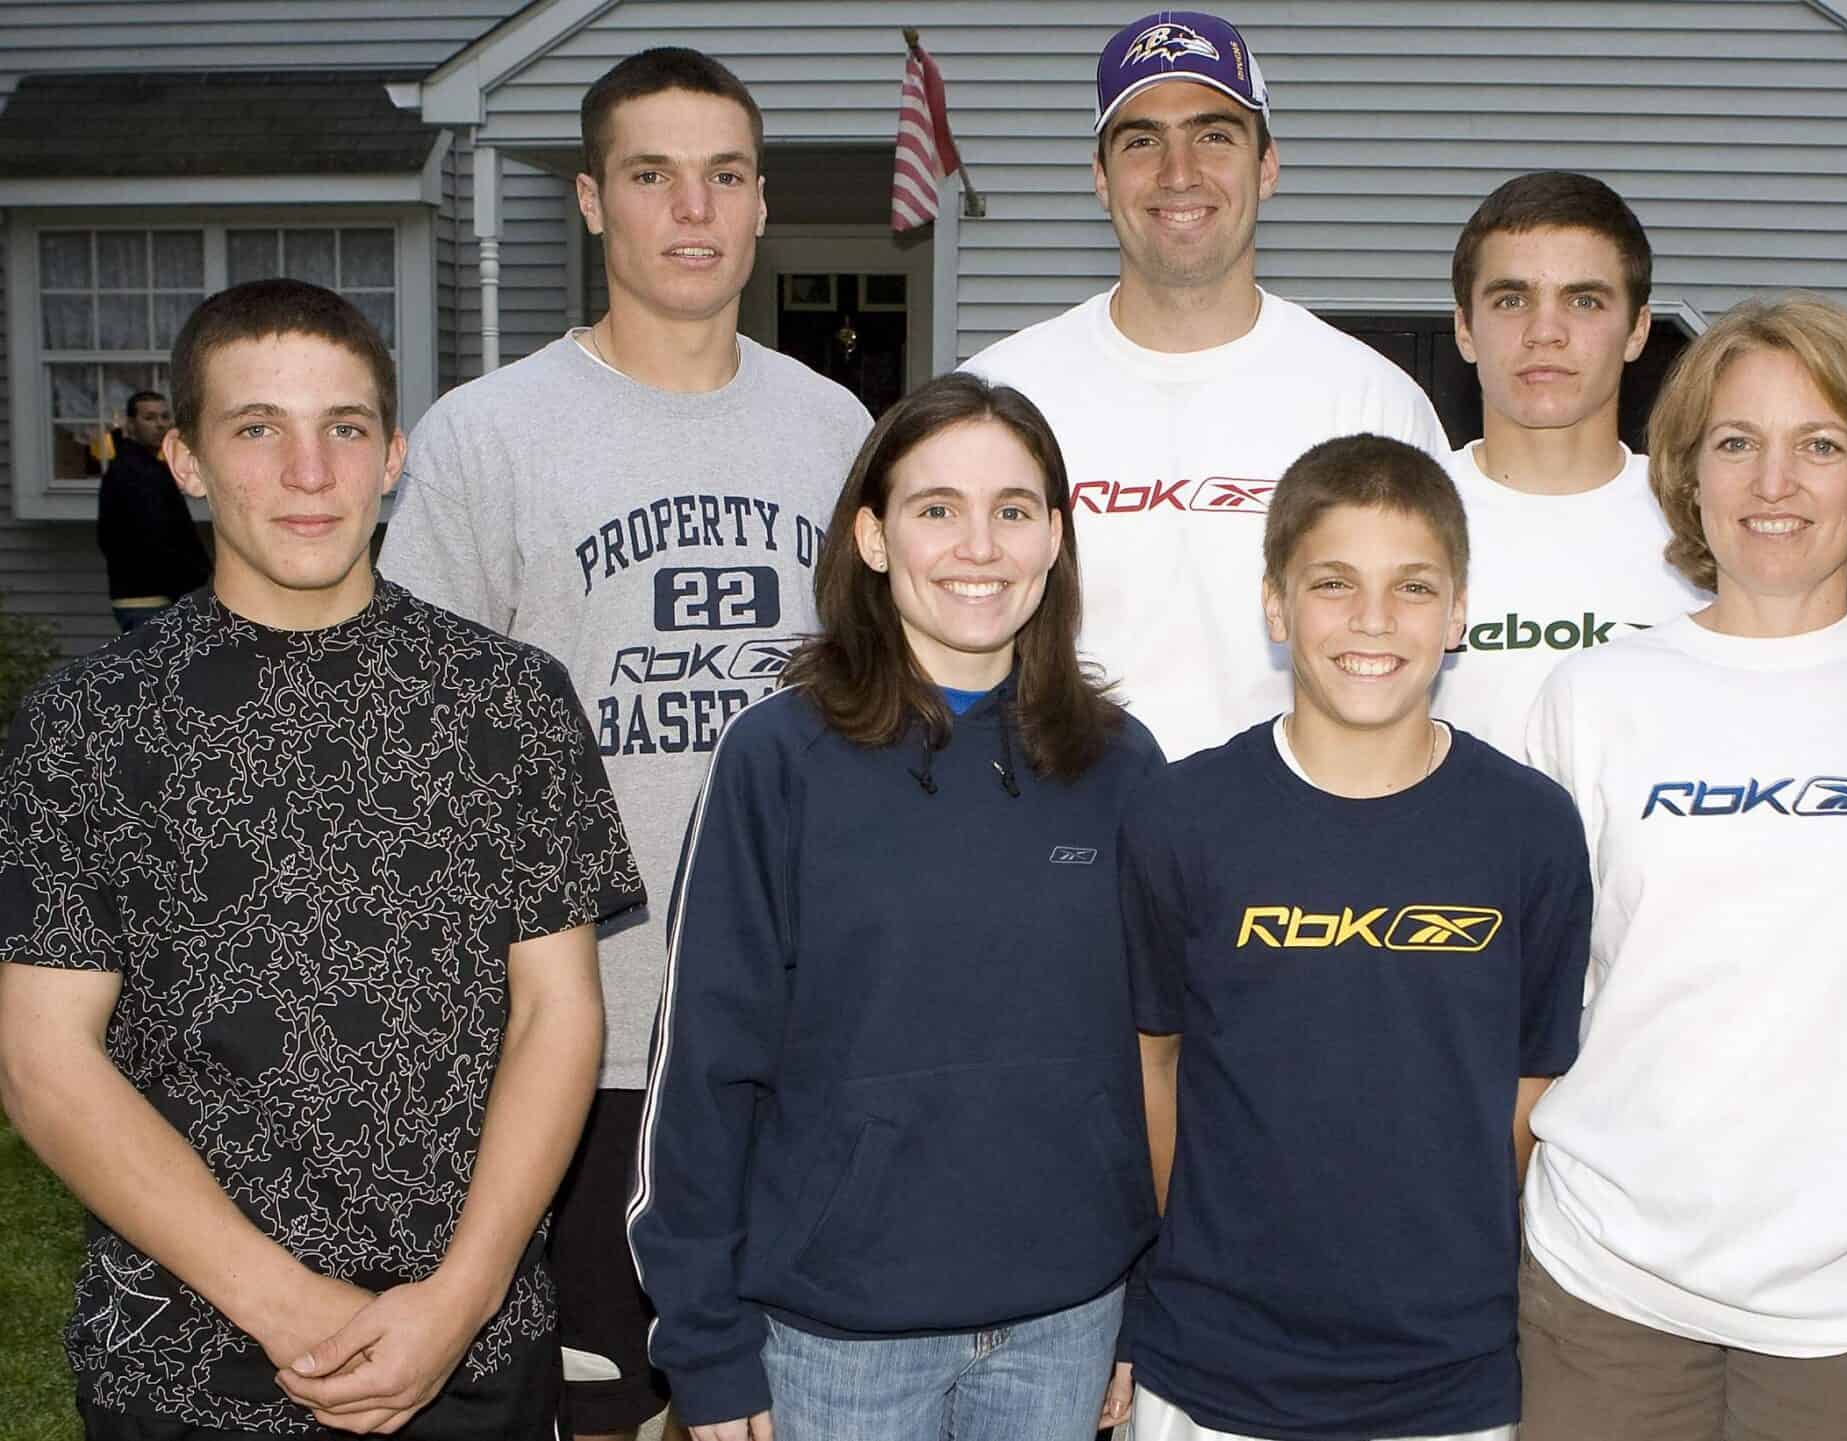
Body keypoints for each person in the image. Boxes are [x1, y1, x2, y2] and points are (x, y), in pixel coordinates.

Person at [0, 277, 642, 1441]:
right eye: (259, 430)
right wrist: (289, 1308)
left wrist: (462, 1294)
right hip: (185, 1361)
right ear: (186, 460)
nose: (310, 473)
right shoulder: (87, 723)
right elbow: (43, 1060)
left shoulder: (508, 701)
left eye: (343, 428)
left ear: (393, 454)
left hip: (470, 1353)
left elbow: (558, 1016)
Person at [380, 46, 873, 1441]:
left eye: (723, 175)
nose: (692, 210)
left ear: (763, 203)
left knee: (780, 1405)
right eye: (652, 176)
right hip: (580, 1037)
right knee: (597, 1407)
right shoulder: (490, 439)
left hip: (796, 1027)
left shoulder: (833, 430)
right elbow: (417, 744)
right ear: (595, 202)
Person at [628, 373, 1162, 1441]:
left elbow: (1163, 1057)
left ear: (1054, 538)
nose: (979, 546)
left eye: (1012, 511)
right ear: (872, 537)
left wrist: (1151, 1302)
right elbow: (703, 1065)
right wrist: (707, 1345)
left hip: (1068, 1321)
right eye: (936, 510)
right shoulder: (776, 757)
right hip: (835, 1337)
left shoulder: (1119, 764)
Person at [1513, 293, 1847, 1441]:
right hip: (1610, 1277)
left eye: (1819, 444)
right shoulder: (1593, 699)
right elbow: (1532, 992)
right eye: (1737, 443)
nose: (1774, 483)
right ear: (1690, 475)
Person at [1119, 434, 1593, 1441]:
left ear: (1458, 610)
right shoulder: (1182, 816)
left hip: (1449, 1375)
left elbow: (1528, 1086)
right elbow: (1153, 1064)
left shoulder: (1529, 827)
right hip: (1215, 1371)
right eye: (1333, 583)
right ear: (1276, 606)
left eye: (1413, 587)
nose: (1372, 620)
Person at [965, 10, 1448, 762]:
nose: (1178, 172)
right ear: (1099, 177)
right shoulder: (1001, 395)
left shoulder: (1370, 402)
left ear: (1268, 166)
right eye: (1141, 140)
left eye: (1215, 135)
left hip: (1291, 847)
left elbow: (1425, 656)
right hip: (1049, 833)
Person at [1432, 172, 1707, 758]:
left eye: (1584, 301)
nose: (1545, 333)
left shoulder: (1706, 524)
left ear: (1637, 330)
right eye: (1511, 300)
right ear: (1464, 329)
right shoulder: (1400, 518)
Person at [94, 389, 210, 631]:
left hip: (146, 596)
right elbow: (156, 539)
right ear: (131, 424)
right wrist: (193, 584)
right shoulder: (135, 473)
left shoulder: (146, 469)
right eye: (149, 418)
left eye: (164, 417)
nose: (159, 424)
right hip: (151, 600)